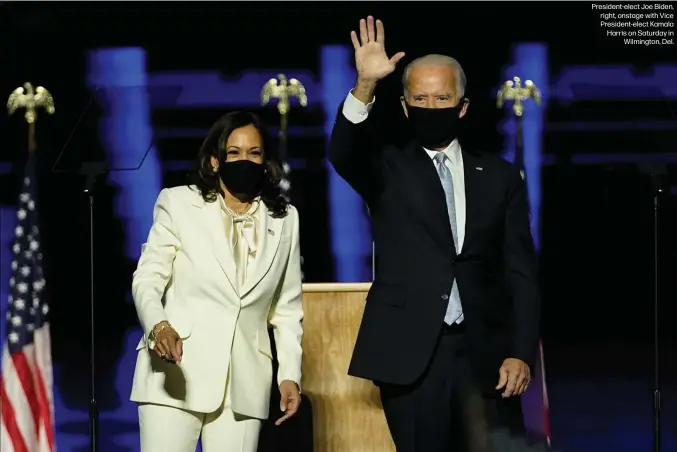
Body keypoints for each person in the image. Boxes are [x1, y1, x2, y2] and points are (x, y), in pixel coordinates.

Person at [329, 16, 541, 452]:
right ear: (405, 107)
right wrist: (365, 85)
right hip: (410, 353)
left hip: (485, 354)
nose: (431, 107)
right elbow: (344, 152)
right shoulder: (387, 167)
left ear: (462, 106)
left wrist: (521, 350)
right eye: (420, 98)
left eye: (442, 97)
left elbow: (520, 269)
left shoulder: (500, 177)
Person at [130, 111, 304, 452]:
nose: (245, 160)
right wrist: (158, 326)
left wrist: (289, 375)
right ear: (215, 161)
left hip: (245, 386)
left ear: (265, 161)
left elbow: (286, 308)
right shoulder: (178, 203)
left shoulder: (285, 219)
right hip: (176, 374)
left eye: (254, 153)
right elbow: (148, 277)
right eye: (235, 153)